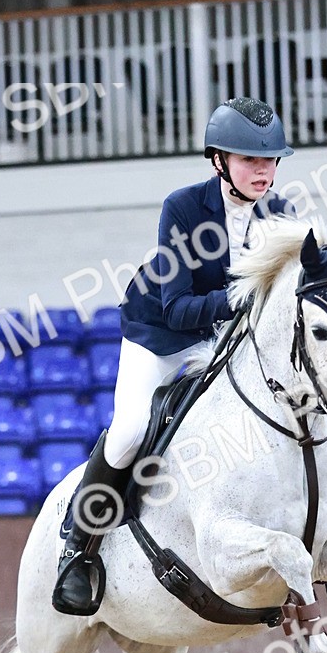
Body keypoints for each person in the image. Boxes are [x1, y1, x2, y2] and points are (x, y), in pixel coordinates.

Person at [53, 97, 296, 615]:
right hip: (162, 334)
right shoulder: (183, 208)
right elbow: (178, 307)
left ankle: (324, 539)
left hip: (227, 338)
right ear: (219, 161)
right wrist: (245, 298)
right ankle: (80, 547)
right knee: (130, 431)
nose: (263, 170)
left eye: (270, 160)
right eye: (250, 159)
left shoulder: (280, 214)